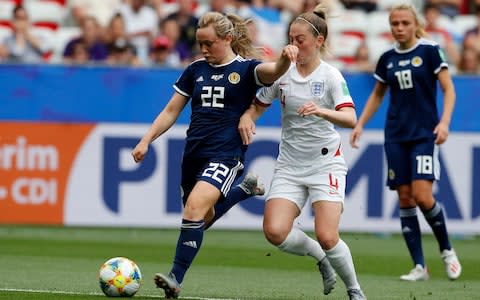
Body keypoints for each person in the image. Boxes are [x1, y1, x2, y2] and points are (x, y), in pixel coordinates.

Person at [131, 11, 299, 299]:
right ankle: (244, 191)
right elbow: (172, 110)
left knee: (193, 210)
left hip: (226, 153)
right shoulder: (195, 70)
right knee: (202, 218)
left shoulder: (247, 70)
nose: (204, 49)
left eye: (209, 43)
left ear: (228, 38)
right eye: (200, 44)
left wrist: (286, 58)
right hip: (193, 153)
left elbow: (273, 72)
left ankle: (175, 279)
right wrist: (146, 140)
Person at [239, 5, 366, 300]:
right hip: (290, 165)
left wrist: (322, 111)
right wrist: (248, 117)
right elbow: (257, 106)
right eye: (291, 38)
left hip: (325, 164)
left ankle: (355, 290)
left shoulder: (331, 76)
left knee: (327, 235)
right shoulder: (282, 74)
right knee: (274, 231)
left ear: (318, 40)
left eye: (300, 40)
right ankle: (321, 258)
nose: (294, 45)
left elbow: (350, 118)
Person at [349, 4, 462, 282]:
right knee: (404, 197)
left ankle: (447, 250)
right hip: (396, 135)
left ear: (415, 24)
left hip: (424, 134)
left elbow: (448, 89)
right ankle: (419, 267)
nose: (399, 28)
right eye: (394, 23)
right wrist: (360, 123)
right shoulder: (386, 58)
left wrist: (444, 122)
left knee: (423, 196)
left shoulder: (430, 50)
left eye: (404, 23)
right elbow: (377, 94)